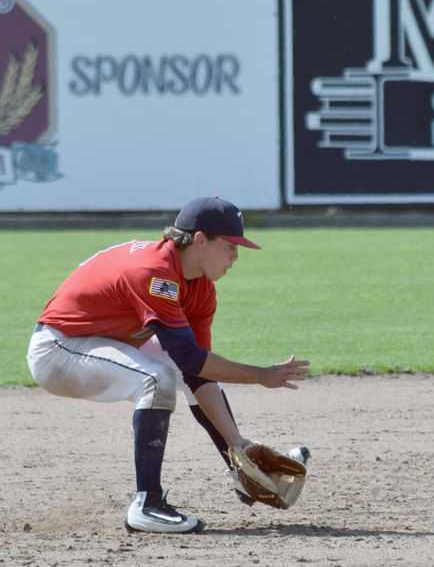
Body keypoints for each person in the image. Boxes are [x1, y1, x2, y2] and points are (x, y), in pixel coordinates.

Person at [25, 196, 310, 533]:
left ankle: (240, 466)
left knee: (177, 372)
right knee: (155, 378)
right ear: (200, 240)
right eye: (230, 245)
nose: (236, 255)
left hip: (106, 341)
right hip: (59, 349)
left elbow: (195, 371)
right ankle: (147, 504)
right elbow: (191, 359)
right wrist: (261, 375)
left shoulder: (200, 288)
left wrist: (236, 444)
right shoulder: (155, 272)